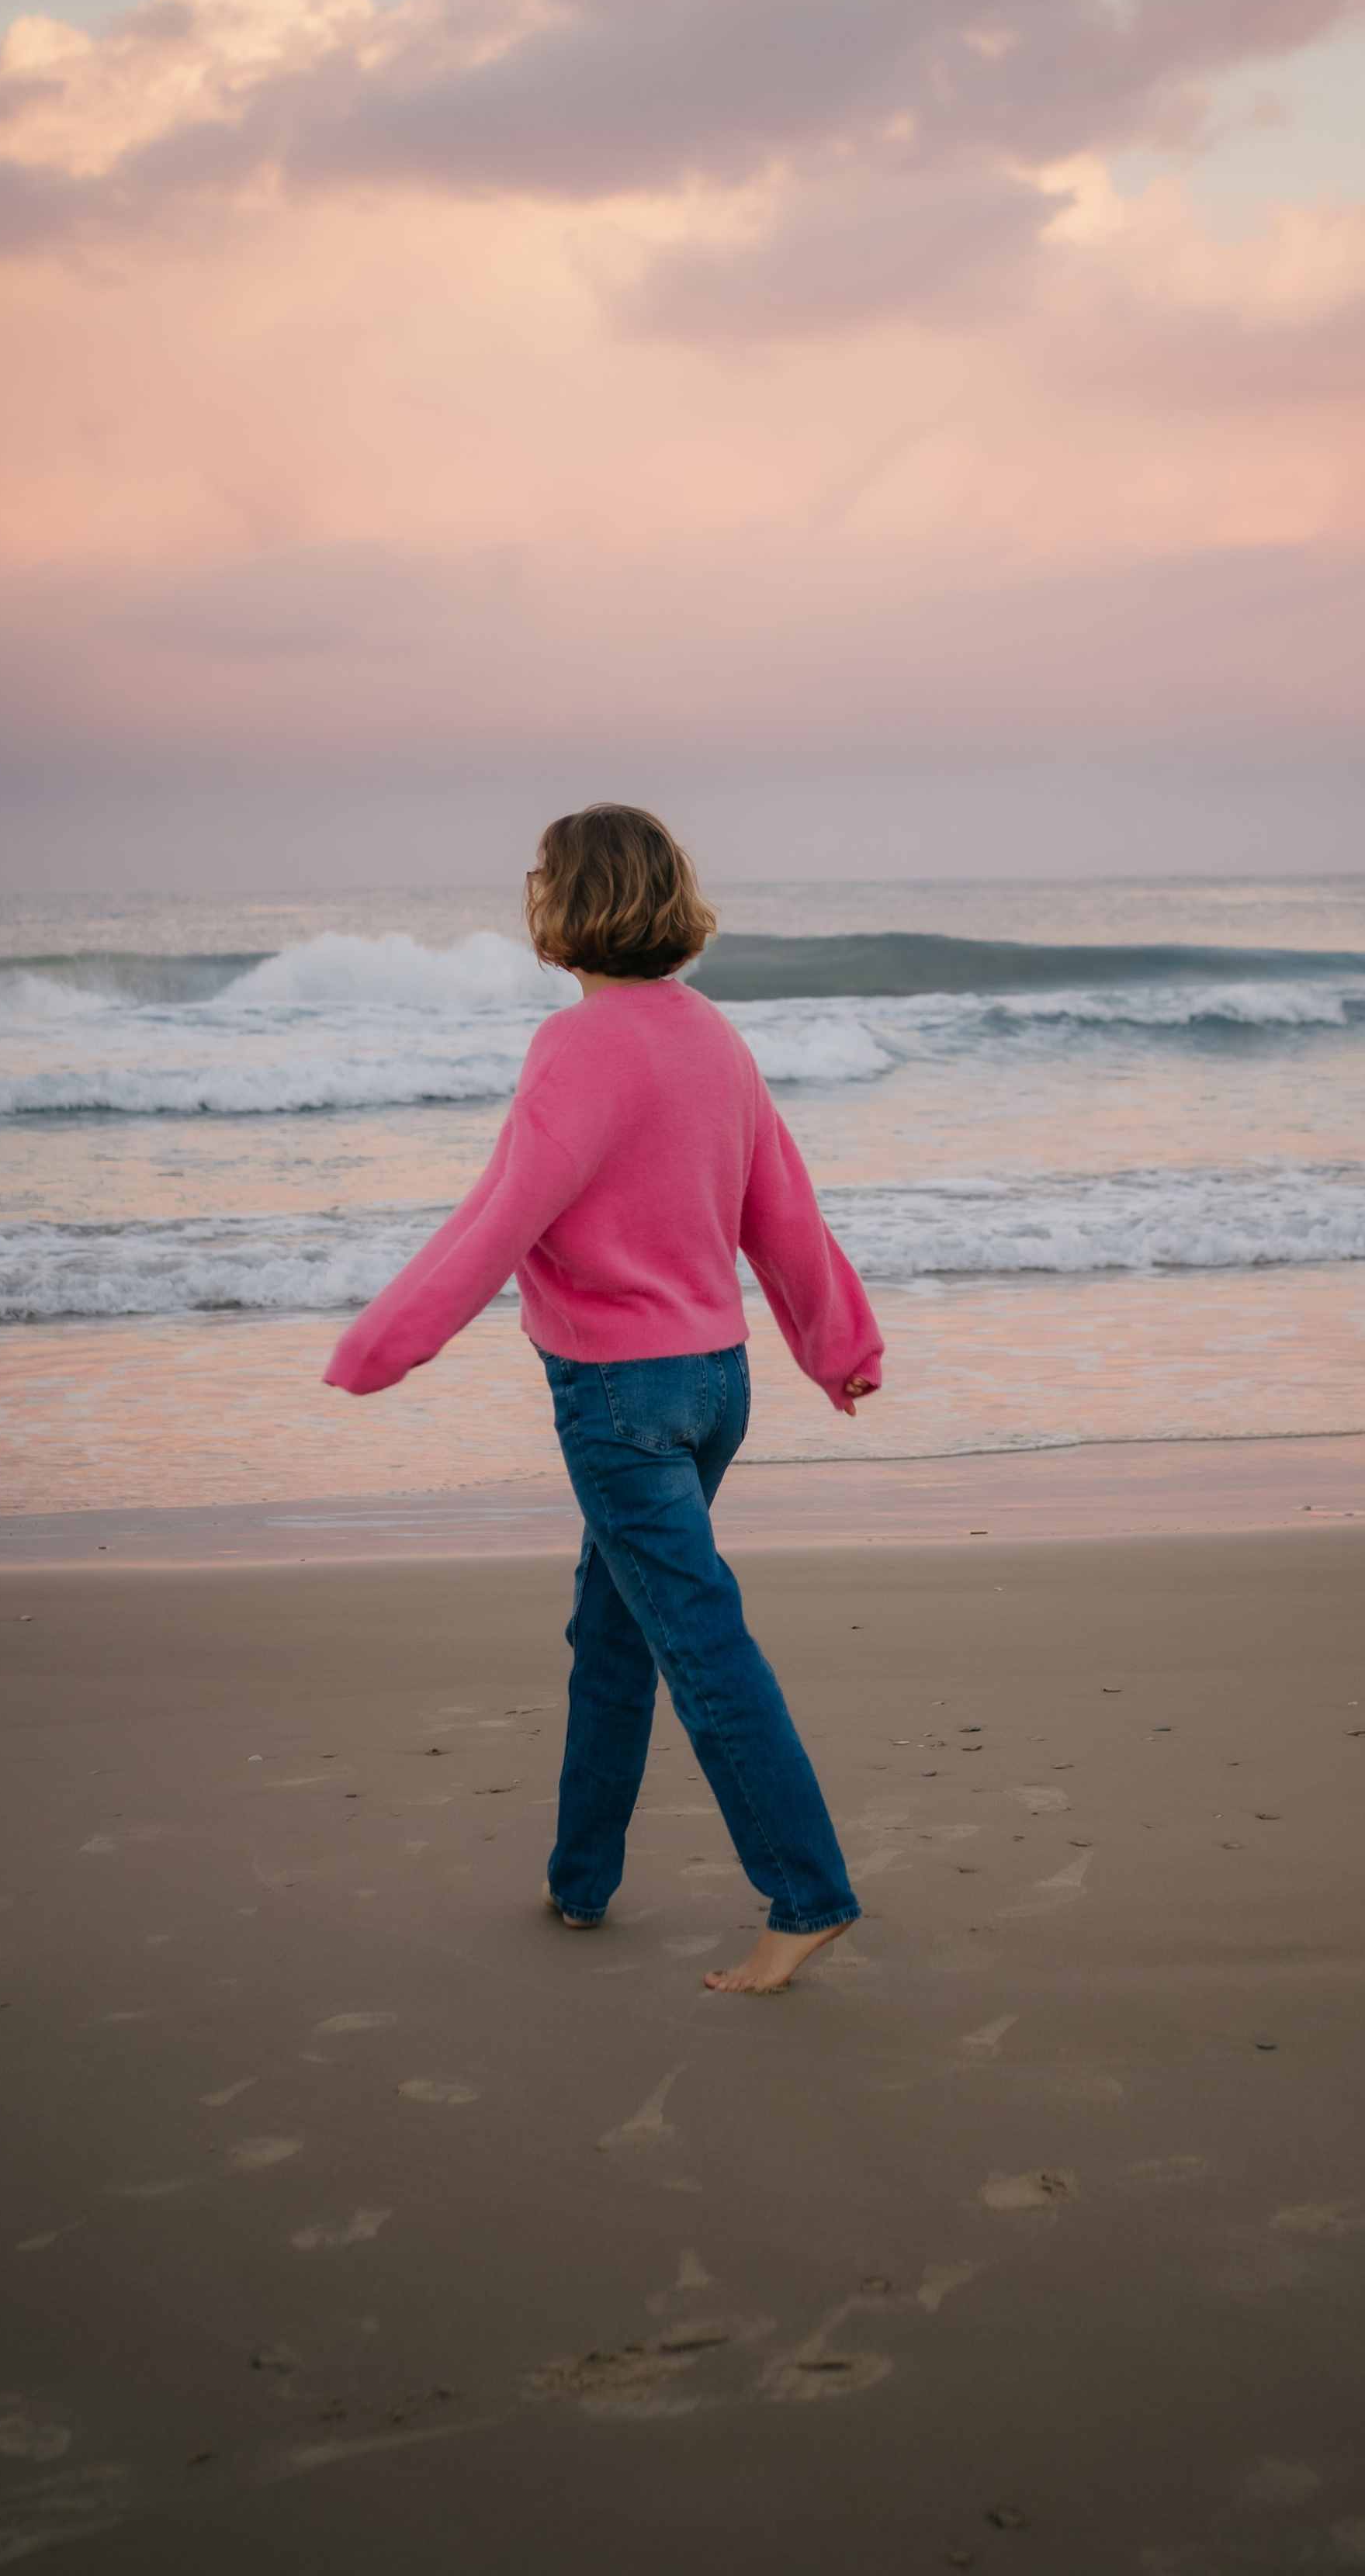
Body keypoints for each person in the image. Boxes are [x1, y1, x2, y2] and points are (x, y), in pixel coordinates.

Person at [324, 803, 882, 1994]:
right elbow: (782, 1210)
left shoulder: (575, 1050)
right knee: (615, 1626)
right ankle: (581, 1878)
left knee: (700, 1644)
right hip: (716, 1384)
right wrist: (838, 1347)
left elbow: (502, 1214)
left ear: (561, 907)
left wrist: (383, 1346)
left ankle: (808, 1895)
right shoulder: (710, 1036)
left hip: (621, 1402)